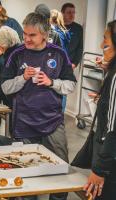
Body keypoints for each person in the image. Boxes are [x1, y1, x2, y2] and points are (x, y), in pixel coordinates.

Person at [1, 13, 76, 200]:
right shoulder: (17, 54)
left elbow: (71, 85)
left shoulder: (59, 53)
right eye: (25, 33)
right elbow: (5, 87)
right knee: (25, 172)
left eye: (32, 35)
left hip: (53, 121)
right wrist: (23, 78)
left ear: (44, 34)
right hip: (23, 123)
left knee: (60, 170)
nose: (26, 38)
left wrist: (52, 82)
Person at [82, 20, 116, 200]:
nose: (101, 45)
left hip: (110, 166)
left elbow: (113, 130)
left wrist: (99, 170)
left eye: (106, 41)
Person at [50, 9, 71, 113]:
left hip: (58, 65)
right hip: (65, 64)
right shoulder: (65, 32)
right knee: (63, 89)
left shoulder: (55, 34)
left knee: (57, 89)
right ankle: (60, 113)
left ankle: (58, 114)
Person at [61, 3, 83, 69]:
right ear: (62, 13)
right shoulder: (56, 27)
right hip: (55, 63)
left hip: (69, 65)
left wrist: (75, 64)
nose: (72, 15)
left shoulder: (78, 28)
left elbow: (80, 48)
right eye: (69, 12)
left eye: (73, 12)